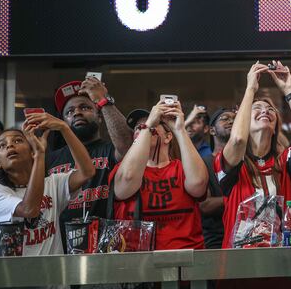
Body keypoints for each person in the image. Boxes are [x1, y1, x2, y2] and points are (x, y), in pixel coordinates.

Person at [215, 61, 291, 250]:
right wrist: (250, 90)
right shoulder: (232, 161)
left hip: (283, 264)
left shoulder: (284, 161)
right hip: (240, 267)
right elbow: (237, 139)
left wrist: (290, 90)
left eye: (271, 110)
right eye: (257, 108)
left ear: (276, 125)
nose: (265, 111)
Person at [0, 114, 94, 257]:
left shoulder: (52, 183)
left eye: (18, 140)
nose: (9, 145)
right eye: (2, 145)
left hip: (53, 276)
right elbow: (29, 209)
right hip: (12, 277)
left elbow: (87, 172)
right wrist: (40, 154)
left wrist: (64, 128)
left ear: (31, 150)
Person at [111, 98, 208, 250]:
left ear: (168, 137)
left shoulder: (182, 169)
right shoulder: (121, 169)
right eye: (138, 128)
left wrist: (179, 130)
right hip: (135, 259)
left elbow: (199, 184)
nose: (141, 129)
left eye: (152, 125)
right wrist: (149, 125)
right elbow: (127, 180)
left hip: (186, 256)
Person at [47, 77, 133, 246]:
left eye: (85, 107)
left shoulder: (110, 150)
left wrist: (103, 100)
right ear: (63, 122)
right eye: (69, 112)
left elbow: (128, 146)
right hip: (59, 249)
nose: (77, 113)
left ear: (100, 117)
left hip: (106, 246)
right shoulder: (50, 159)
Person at [199, 107, 235, 250]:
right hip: (216, 241)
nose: (231, 121)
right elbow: (204, 205)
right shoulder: (204, 162)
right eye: (225, 118)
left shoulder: (246, 161)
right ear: (212, 130)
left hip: (246, 237)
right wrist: (238, 200)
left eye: (234, 119)